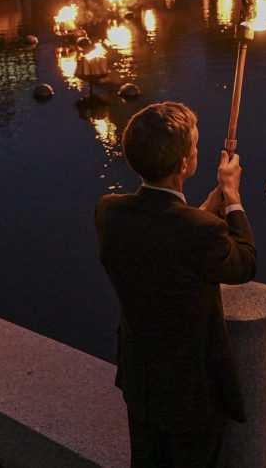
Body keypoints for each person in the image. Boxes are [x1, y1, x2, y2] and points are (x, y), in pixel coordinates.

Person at [95, 102, 256, 467]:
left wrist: (204, 207)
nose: (197, 152)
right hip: (192, 393)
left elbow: (164, 232)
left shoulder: (109, 211)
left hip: (141, 381)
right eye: (195, 147)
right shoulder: (202, 232)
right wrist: (231, 198)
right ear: (184, 165)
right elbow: (244, 263)